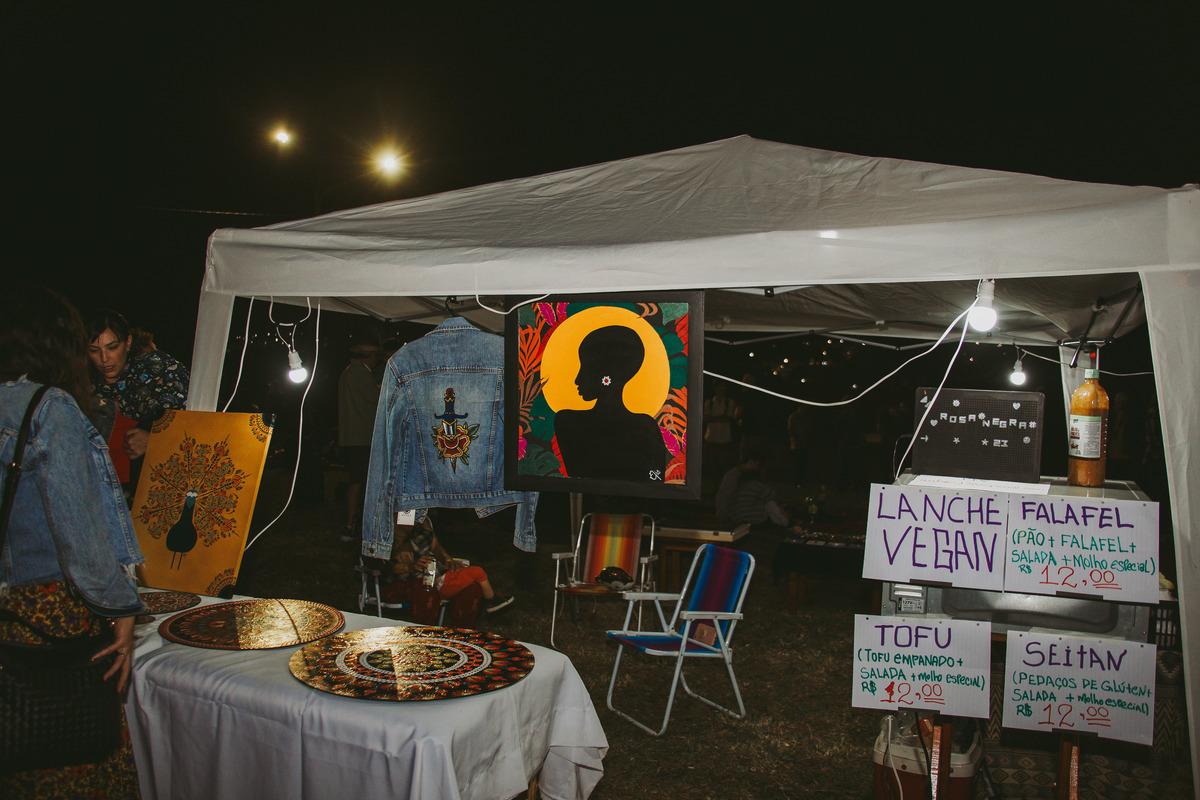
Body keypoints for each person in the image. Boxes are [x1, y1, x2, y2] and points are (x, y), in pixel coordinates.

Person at [0, 286, 144, 796]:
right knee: (69, 746)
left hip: (7, 606)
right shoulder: (49, 407)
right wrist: (121, 608)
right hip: (51, 606)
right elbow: (79, 531)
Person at [86, 309, 189, 499]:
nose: (104, 358)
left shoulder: (157, 374)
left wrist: (155, 440)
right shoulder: (78, 390)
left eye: (112, 347)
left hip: (147, 496)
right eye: (94, 350)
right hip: (96, 496)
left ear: (128, 343)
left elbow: (196, 432)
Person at [554, 325, 667, 483]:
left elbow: (655, 478)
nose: (577, 379)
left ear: (606, 373)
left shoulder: (569, 422)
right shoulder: (646, 428)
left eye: (586, 368)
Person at [381, 516, 514, 625]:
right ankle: (424, 638)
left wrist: (447, 559)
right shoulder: (384, 520)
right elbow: (381, 564)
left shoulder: (420, 517)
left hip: (432, 573)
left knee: (471, 588)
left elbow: (436, 547)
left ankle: (461, 636)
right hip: (402, 580)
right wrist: (408, 567)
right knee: (426, 589)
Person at [337, 339, 382, 542]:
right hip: (363, 437)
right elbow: (377, 398)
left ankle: (352, 523)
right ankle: (353, 523)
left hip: (351, 437)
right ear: (369, 357)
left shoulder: (347, 372)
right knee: (361, 483)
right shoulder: (361, 374)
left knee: (355, 481)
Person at [715, 454, 792, 529]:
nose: (756, 467)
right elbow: (770, 496)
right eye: (757, 464)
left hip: (736, 517)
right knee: (770, 504)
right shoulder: (734, 476)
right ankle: (786, 523)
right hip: (751, 516)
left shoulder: (740, 484)